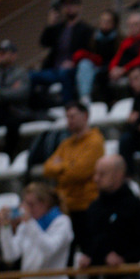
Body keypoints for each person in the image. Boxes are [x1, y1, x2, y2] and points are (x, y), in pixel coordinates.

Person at [79, 155, 140, 279]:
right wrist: (89, 255)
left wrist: (125, 258)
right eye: (96, 173)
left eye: (102, 174)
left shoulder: (135, 206)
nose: (96, 179)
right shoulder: (93, 207)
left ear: (118, 174)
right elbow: (86, 238)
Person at [0, 182, 73, 279]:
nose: (27, 209)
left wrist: (29, 222)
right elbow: (10, 255)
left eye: (31, 204)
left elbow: (49, 249)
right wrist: (5, 228)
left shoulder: (61, 222)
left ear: (45, 203)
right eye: (25, 204)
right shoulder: (27, 225)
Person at [42, 101, 106, 251]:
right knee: (66, 254)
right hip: (66, 207)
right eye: (67, 117)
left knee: (89, 252)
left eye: (72, 116)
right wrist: (68, 167)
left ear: (85, 116)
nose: (69, 121)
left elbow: (80, 173)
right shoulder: (66, 144)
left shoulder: (95, 142)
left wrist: (61, 166)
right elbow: (47, 169)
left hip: (86, 206)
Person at [31, 0, 93, 104]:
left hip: (73, 69)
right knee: (30, 76)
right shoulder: (58, 28)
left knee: (65, 74)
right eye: (65, 5)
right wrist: (50, 25)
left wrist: (73, 62)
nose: (68, 8)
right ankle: (36, 107)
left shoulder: (86, 29)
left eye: (72, 4)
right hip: (54, 69)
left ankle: (67, 105)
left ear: (79, 7)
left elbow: (88, 52)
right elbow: (44, 43)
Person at [101, 13, 140, 102]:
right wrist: (113, 69)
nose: (133, 27)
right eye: (130, 25)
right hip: (126, 70)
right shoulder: (127, 41)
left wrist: (124, 69)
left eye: (136, 24)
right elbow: (117, 57)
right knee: (101, 75)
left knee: (136, 76)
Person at [74, 9, 119, 104]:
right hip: (97, 67)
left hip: (112, 67)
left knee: (103, 75)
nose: (105, 23)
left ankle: (110, 102)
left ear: (114, 23)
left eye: (108, 21)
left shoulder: (119, 39)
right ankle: (84, 98)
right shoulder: (93, 38)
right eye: (103, 21)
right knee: (84, 65)